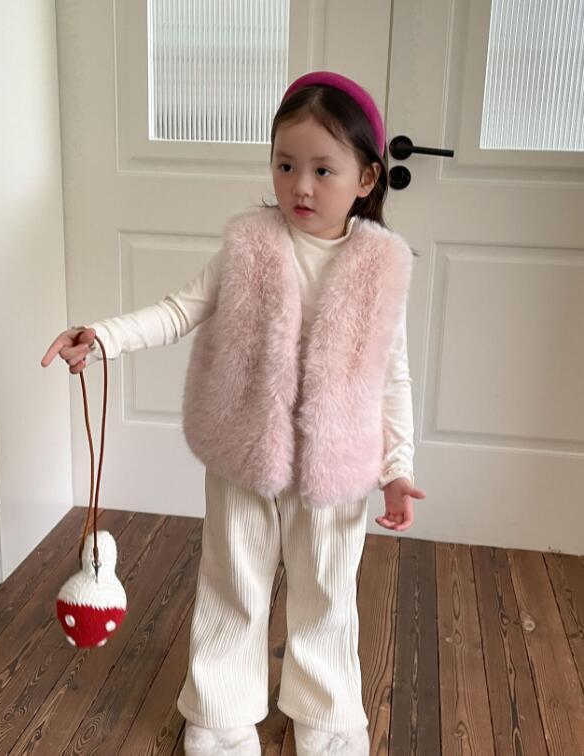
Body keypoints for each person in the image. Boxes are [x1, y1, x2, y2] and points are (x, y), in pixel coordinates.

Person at [41, 70, 426, 756]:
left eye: (322, 170)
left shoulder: (381, 269)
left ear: (367, 178)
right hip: (245, 452)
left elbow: (391, 377)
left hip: (335, 465)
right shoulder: (250, 247)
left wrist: (398, 468)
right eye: (285, 165)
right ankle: (220, 715)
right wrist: (102, 338)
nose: (300, 186)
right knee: (232, 585)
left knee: (328, 595)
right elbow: (178, 310)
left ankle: (329, 716)